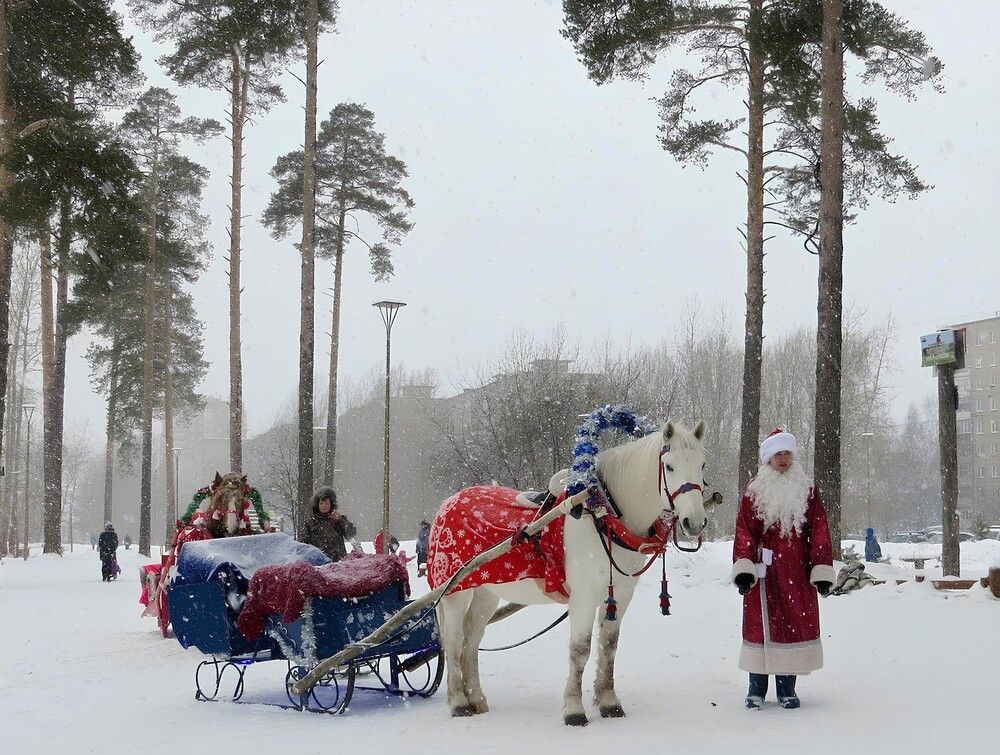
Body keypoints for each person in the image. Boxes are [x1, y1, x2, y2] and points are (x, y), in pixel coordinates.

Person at [732, 428, 835, 710]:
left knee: (791, 626)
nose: (783, 458)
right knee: (760, 627)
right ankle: (756, 689)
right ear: (768, 457)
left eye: (787, 452)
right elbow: (745, 530)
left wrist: (821, 569)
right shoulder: (755, 490)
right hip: (762, 571)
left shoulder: (807, 489)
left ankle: (787, 689)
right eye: (777, 453)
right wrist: (743, 568)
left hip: (796, 570)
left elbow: (820, 530)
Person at [300, 487, 357, 562]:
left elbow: (351, 533)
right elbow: (303, 543)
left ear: (331, 504)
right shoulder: (310, 522)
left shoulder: (337, 519)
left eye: (327, 503)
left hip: (338, 562)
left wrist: (341, 520)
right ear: (317, 504)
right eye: (321, 503)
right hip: (318, 563)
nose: (324, 506)